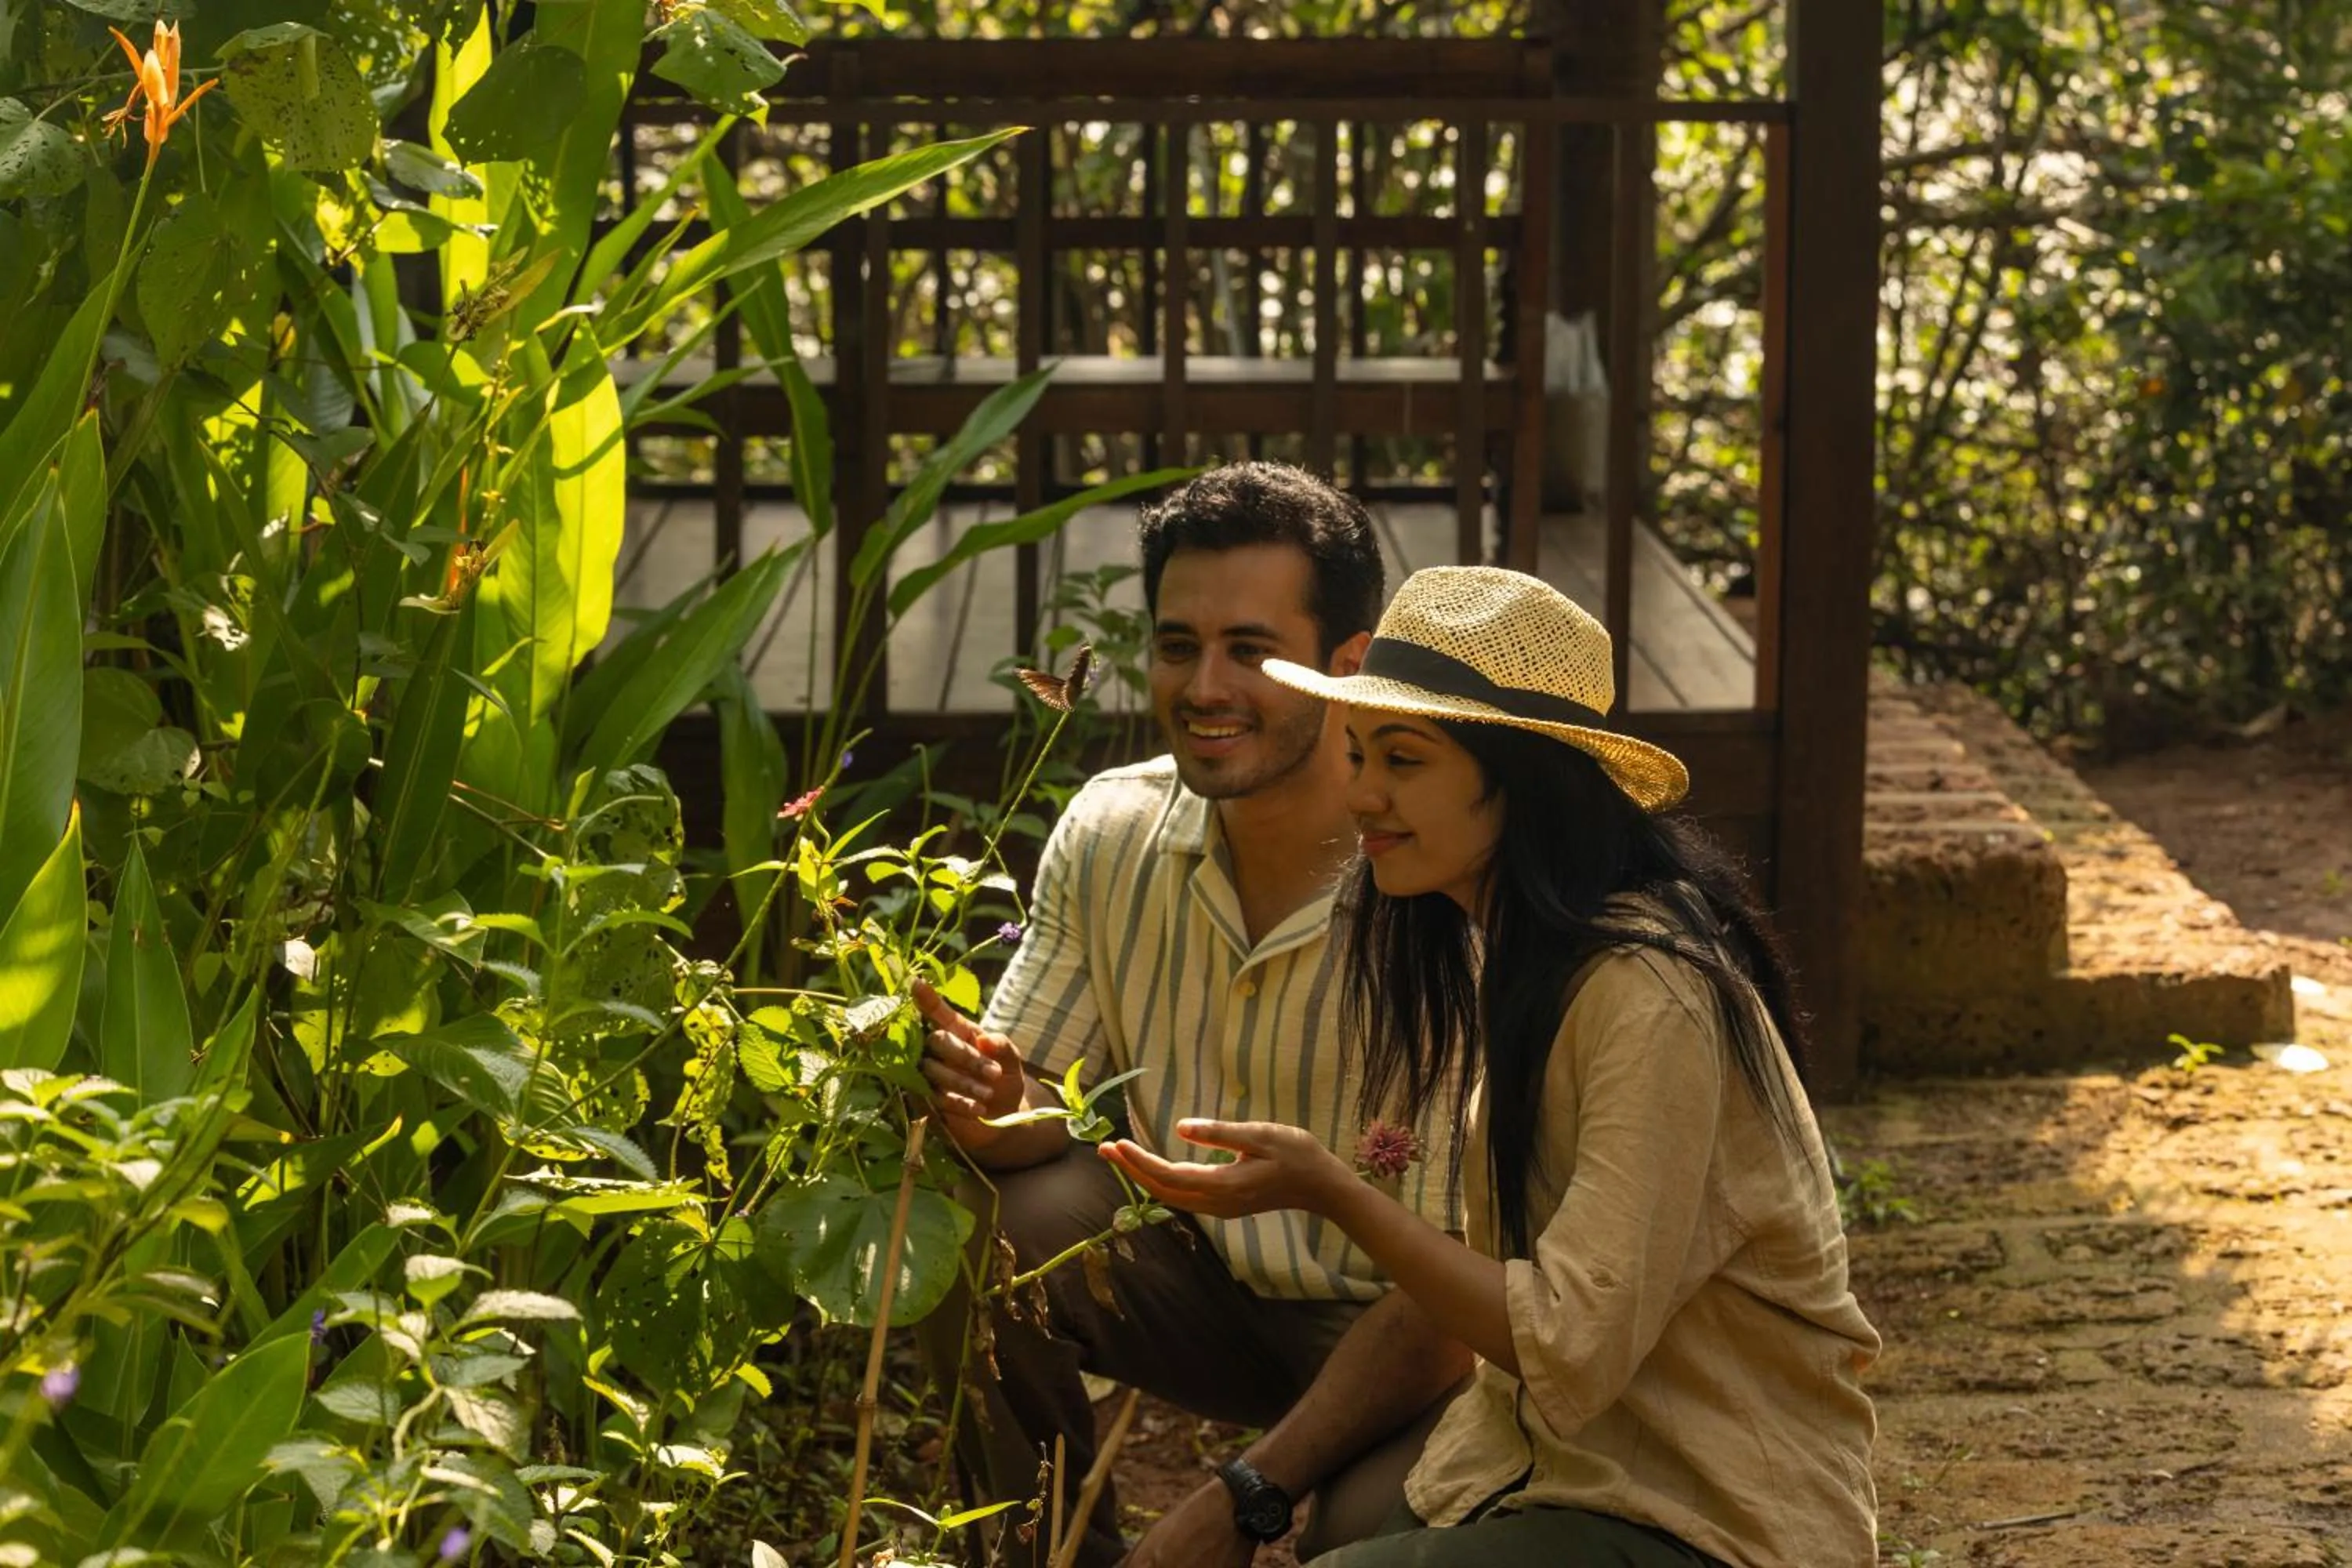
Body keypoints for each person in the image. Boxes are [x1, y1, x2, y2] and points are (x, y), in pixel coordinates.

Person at [1101, 565, 1882, 1568]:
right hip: (1560, 1454)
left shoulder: (1652, 990)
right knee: (1345, 1518)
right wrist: (1255, 1486)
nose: (1364, 792)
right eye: (1357, 752)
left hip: (1715, 1508)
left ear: (1522, 779)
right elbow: (1473, 1298)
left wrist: (1333, 1189)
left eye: (1405, 758)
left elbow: (1563, 1339)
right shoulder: (1511, 950)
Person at [915, 463, 1472, 1568]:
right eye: (1179, 647)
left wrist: (1237, 1500)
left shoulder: (1446, 881)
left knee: (1374, 1543)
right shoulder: (1111, 827)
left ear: (1346, 668)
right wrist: (990, 1107)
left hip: (1409, 1338)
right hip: (1194, 1287)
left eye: (1252, 651)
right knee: (972, 1225)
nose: (1206, 686)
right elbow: (1041, 1098)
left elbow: (1462, 1309)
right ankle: (1050, 1554)